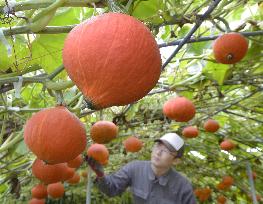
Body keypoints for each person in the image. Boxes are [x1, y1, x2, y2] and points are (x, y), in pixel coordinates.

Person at [86, 133, 197, 204]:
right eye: (158, 146)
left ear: (176, 160)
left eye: (166, 150)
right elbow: (112, 189)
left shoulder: (183, 186)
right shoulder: (135, 168)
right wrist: (100, 174)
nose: (158, 152)